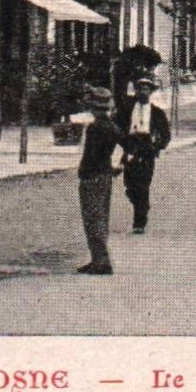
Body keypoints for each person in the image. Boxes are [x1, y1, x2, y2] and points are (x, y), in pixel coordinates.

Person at [77, 86, 125, 275]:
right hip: (105, 175)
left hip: (92, 176)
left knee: (92, 219)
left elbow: (91, 155)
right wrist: (118, 166)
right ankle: (98, 259)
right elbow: (129, 146)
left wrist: (84, 171)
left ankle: (101, 261)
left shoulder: (95, 128)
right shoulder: (113, 128)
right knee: (101, 218)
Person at [115, 75, 171, 234]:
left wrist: (156, 147)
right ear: (136, 90)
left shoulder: (157, 113)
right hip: (130, 147)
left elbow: (165, 135)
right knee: (129, 185)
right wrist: (123, 141)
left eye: (146, 89)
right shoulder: (127, 110)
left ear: (150, 92)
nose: (142, 92)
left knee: (143, 184)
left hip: (146, 150)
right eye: (140, 88)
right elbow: (116, 126)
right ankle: (140, 204)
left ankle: (139, 221)